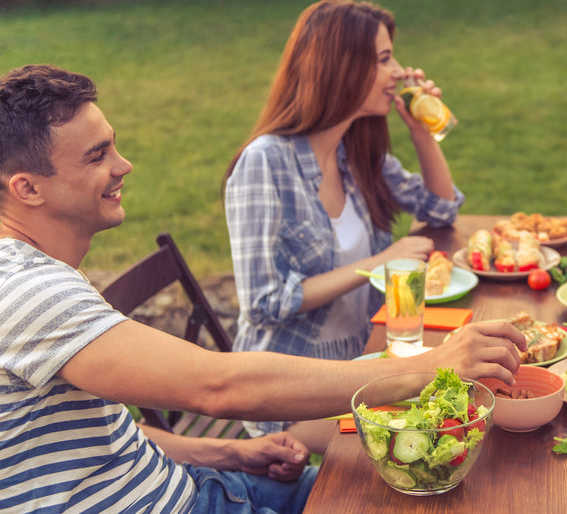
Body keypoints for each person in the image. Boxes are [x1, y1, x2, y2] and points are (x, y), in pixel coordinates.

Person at [0, 64, 525, 513]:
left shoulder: (42, 274)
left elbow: (98, 436)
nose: (124, 165)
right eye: (98, 156)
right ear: (27, 188)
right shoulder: (27, 290)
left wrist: (225, 454)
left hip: (197, 480)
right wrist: (428, 367)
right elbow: (219, 387)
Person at [222, 0, 464, 449]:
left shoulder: (352, 150)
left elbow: (440, 209)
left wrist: (421, 130)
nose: (398, 71)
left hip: (364, 365)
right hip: (288, 397)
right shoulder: (266, 163)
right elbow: (263, 302)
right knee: (425, 438)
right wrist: (378, 262)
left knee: (462, 410)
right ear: (341, 67)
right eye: (385, 59)